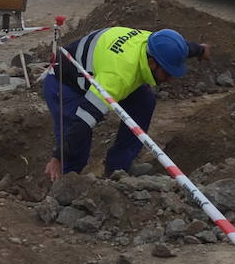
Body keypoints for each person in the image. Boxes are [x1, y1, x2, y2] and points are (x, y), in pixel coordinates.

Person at [42, 27, 210, 181]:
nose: (170, 79)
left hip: (98, 70)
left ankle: (118, 167)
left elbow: (181, 48)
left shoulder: (153, 43)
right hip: (64, 84)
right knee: (77, 149)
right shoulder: (117, 77)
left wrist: (200, 50)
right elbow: (83, 122)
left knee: (144, 101)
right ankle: (62, 186)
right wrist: (57, 157)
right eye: (167, 73)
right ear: (152, 63)